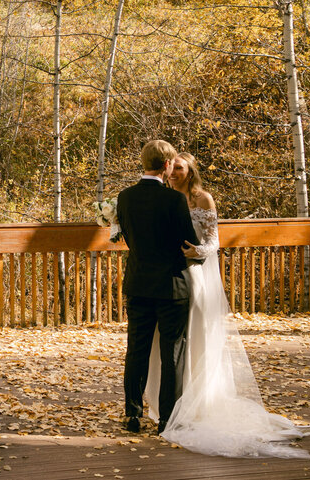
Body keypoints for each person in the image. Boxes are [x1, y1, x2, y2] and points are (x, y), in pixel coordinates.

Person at [145, 152, 310, 458]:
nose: (173, 173)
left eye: (180, 168)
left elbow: (214, 241)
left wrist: (196, 251)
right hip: (166, 281)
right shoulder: (164, 198)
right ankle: (166, 403)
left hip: (195, 274)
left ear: (190, 170)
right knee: (166, 341)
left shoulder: (203, 199)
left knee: (196, 336)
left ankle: (197, 400)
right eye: (172, 168)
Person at [116, 140, 200, 435]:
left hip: (138, 284)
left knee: (135, 351)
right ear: (166, 166)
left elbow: (127, 237)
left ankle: (132, 415)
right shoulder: (173, 200)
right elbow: (190, 243)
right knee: (172, 354)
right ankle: (167, 419)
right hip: (172, 286)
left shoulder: (124, 197)